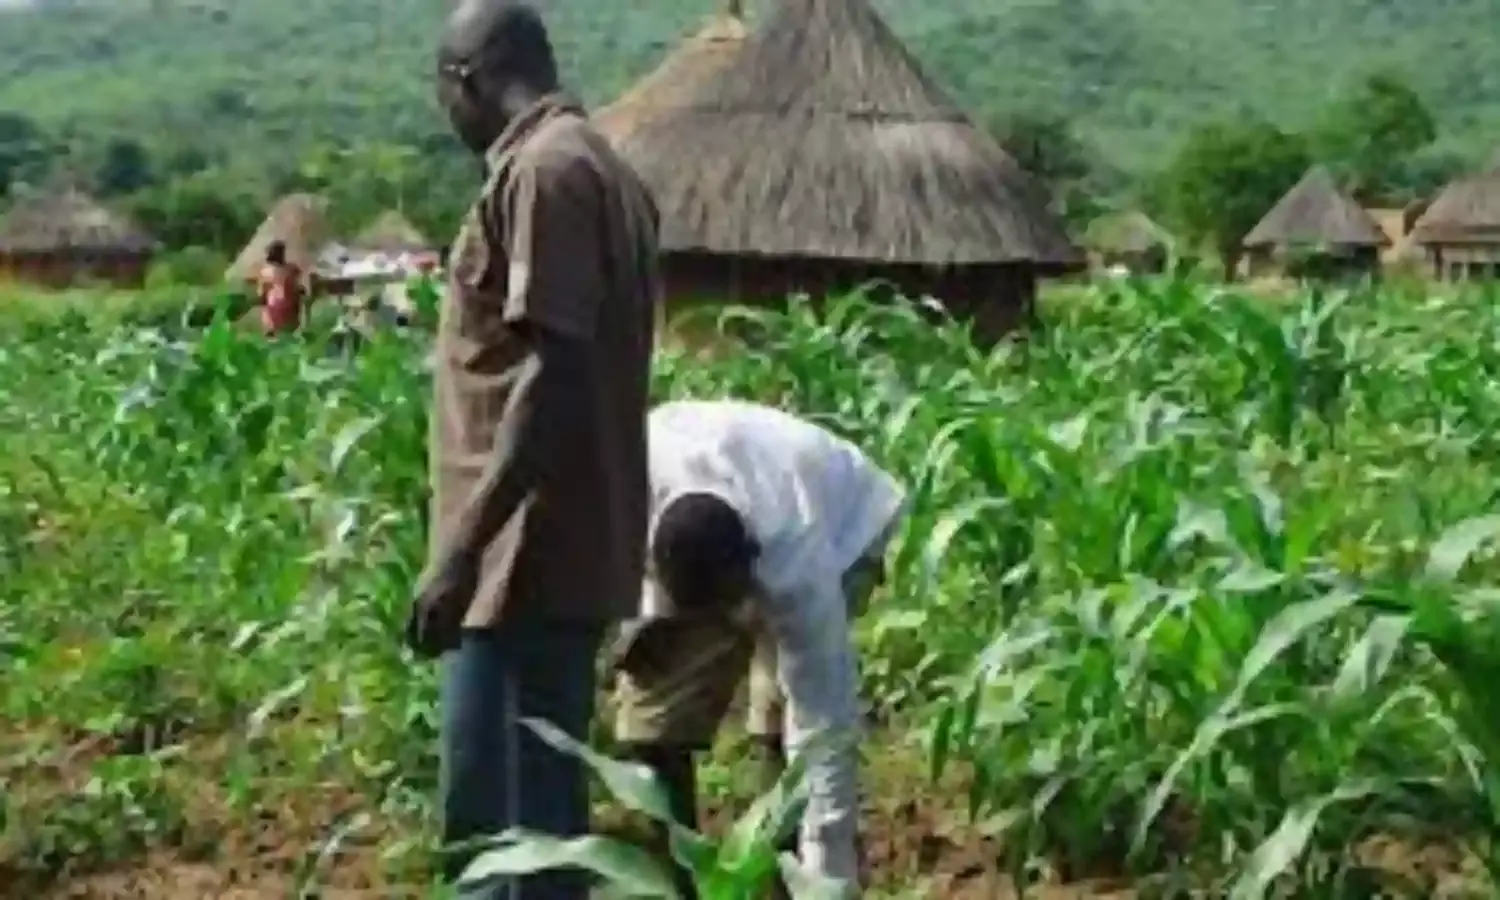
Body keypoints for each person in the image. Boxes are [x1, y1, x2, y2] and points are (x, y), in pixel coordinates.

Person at [404, 0, 661, 898]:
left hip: (522, 561)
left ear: (464, 81)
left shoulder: (547, 173)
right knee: (536, 823)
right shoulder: (598, 167)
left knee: (502, 839)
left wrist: (462, 549)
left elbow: (554, 370)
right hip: (542, 554)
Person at [611, 400, 908, 899]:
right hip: (704, 492)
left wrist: (830, 882)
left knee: (782, 718)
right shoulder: (624, 491)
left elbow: (824, 725)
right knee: (653, 721)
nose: (729, 623)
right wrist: (638, 631)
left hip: (846, 520)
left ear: (750, 567)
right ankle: (675, 885)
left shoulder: (798, 563)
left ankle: (783, 874)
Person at [256, 240, 305, 335]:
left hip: (274, 303)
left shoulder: (266, 271)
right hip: (288, 303)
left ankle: (272, 330)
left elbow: (262, 291)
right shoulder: (291, 269)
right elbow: (295, 284)